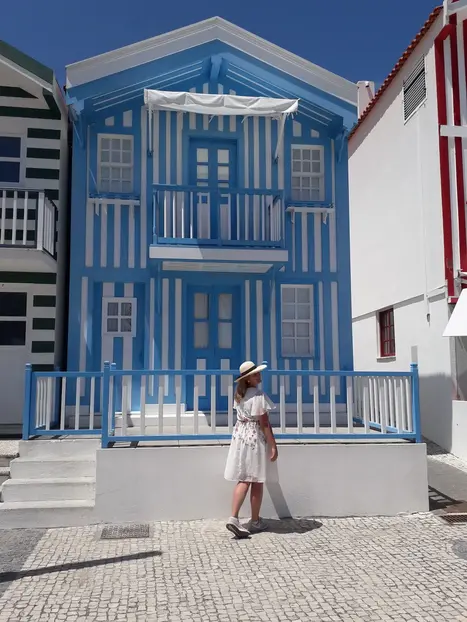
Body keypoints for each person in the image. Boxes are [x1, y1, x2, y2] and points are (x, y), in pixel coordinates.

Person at [224, 360, 278, 538]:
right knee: (256, 480)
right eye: (255, 374)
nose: (259, 376)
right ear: (248, 379)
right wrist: (273, 445)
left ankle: (233, 517)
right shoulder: (258, 396)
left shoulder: (239, 396)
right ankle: (255, 520)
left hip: (240, 437)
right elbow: (264, 423)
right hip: (254, 438)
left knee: (244, 478)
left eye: (258, 373)